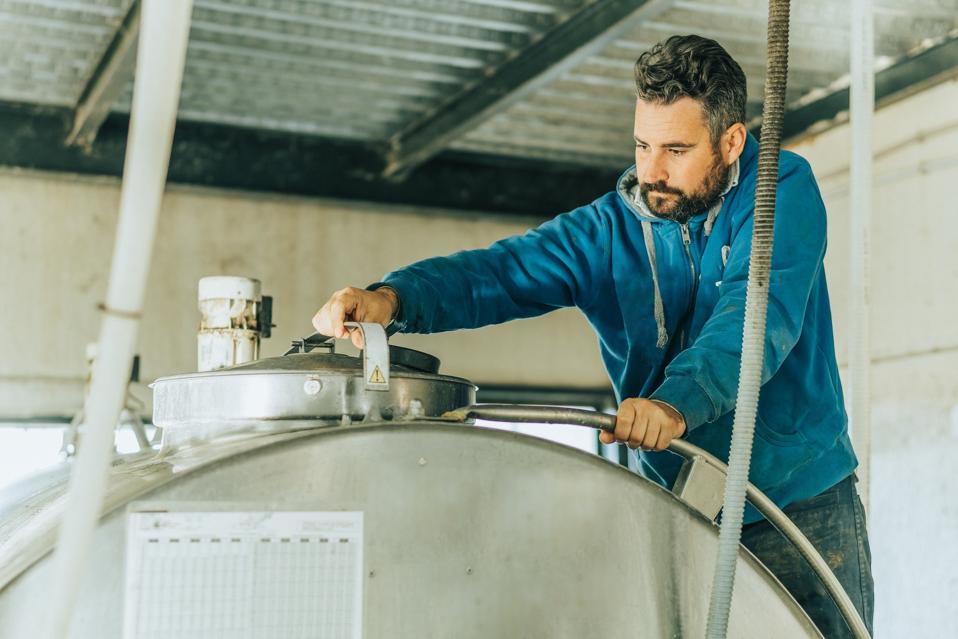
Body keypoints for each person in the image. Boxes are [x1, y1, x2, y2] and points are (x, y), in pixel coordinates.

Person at [312, 35, 874, 637]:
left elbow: (753, 320)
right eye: (642, 144)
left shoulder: (779, 192)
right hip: (682, 504)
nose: (652, 172)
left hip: (799, 503)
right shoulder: (607, 231)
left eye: (677, 150)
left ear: (731, 141)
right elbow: (499, 272)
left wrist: (672, 404)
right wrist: (392, 299)